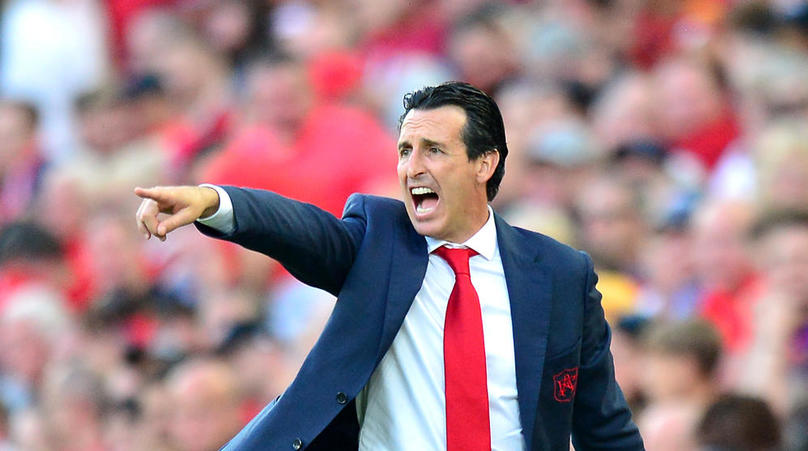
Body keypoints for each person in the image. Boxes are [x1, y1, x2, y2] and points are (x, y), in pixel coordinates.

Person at [134, 82, 643, 450]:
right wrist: (210, 200)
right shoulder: (378, 242)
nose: (411, 167)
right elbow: (301, 230)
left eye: (434, 150)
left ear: (484, 164)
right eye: (404, 150)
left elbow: (602, 424)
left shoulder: (558, 273)